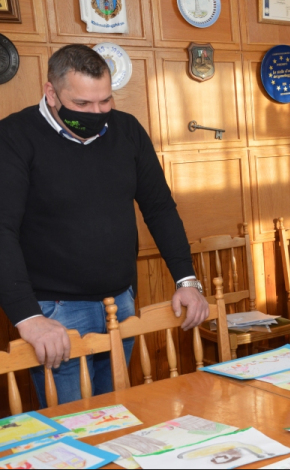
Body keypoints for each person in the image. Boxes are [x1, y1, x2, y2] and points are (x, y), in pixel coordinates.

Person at [0, 45, 208, 407]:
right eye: (82, 105)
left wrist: (186, 279)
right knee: (75, 427)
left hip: (120, 301)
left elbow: (159, 208)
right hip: (54, 310)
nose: (96, 113)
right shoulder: (15, 136)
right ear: (51, 93)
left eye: (105, 101)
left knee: (116, 415)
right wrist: (28, 317)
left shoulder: (126, 129)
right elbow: (1, 229)